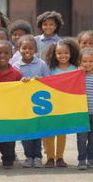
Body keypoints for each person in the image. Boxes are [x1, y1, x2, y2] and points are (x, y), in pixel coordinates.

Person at [13, 35, 50, 168]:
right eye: (24, 48)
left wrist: (40, 80)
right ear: (18, 49)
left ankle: (38, 156)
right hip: (23, 105)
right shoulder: (15, 66)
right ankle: (29, 156)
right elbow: (12, 85)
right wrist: (20, 82)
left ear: (35, 50)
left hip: (39, 105)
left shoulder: (42, 64)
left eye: (30, 48)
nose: (27, 50)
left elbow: (49, 81)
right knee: (26, 132)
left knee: (37, 131)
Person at [44, 39, 80, 168]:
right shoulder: (50, 69)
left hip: (65, 107)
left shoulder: (76, 69)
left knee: (61, 132)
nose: (63, 55)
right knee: (49, 133)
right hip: (51, 105)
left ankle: (59, 157)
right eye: (59, 53)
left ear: (71, 53)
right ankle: (49, 157)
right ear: (54, 55)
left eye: (66, 53)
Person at [0, 40, 22, 169]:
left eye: (6, 53)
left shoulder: (16, 73)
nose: (2, 55)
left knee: (8, 137)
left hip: (9, 111)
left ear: (11, 54)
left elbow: (21, 91)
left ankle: (8, 159)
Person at [77, 47, 93, 170]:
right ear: (80, 63)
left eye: (91, 61)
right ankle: (82, 160)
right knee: (82, 138)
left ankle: (91, 159)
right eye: (84, 61)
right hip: (82, 114)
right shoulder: (77, 76)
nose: (87, 64)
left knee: (92, 139)